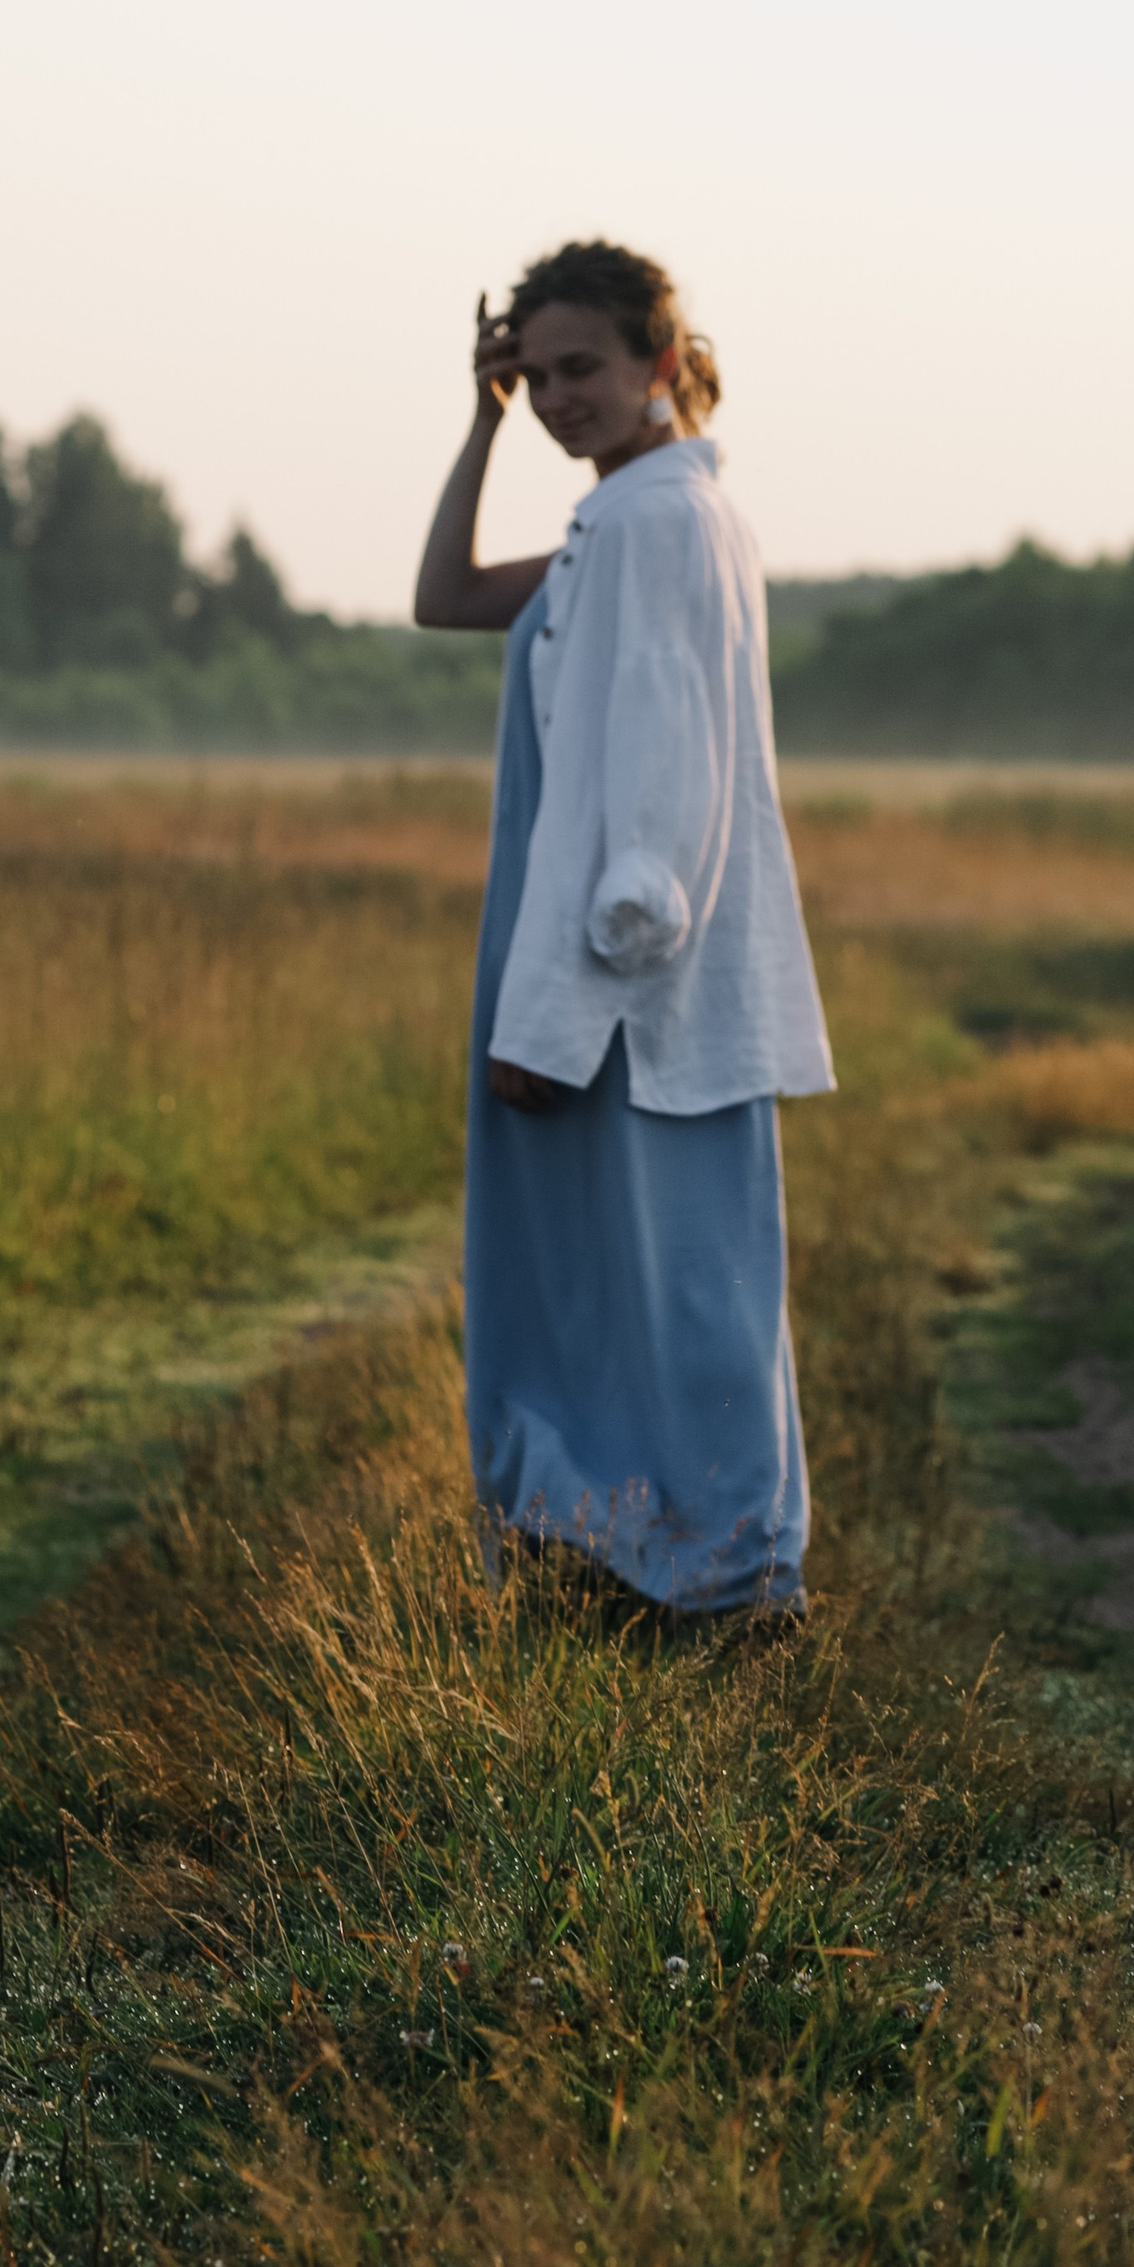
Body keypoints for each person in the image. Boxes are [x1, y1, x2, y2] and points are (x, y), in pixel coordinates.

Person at [414, 240, 834, 1618]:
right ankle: (626, 1566)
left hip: (620, 988)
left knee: (674, 1294)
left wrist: (560, 1012)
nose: (554, 400)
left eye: (579, 368)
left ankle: (719, 1583)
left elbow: (660, 795)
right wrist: (478, 423)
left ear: (660, 359)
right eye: (533, 377)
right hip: (592, 973)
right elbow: (446, 599)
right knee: (613, 1288)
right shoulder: (626, 522)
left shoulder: (658, 525)